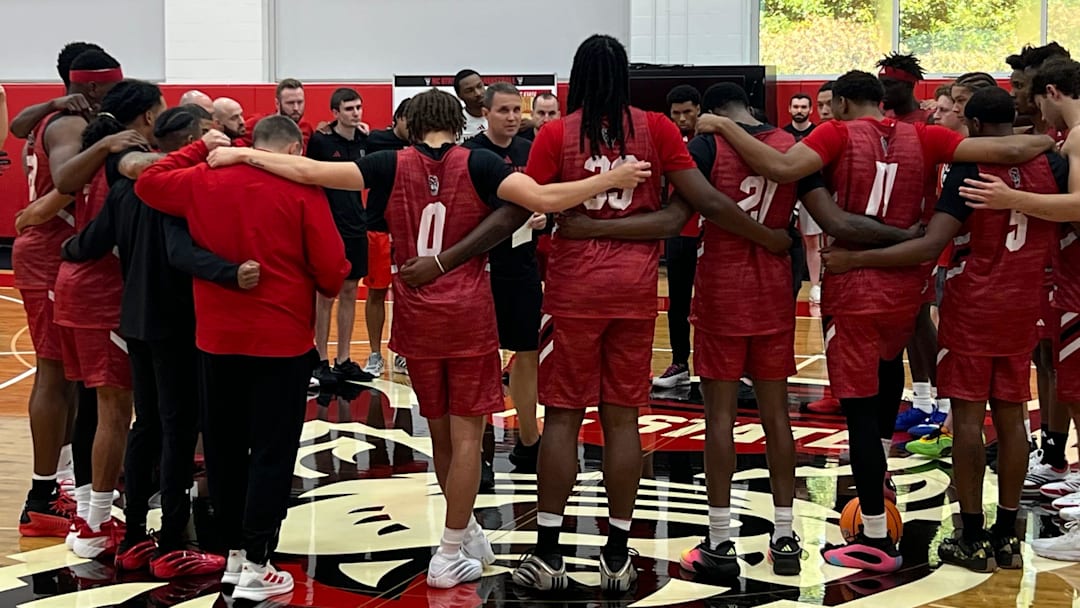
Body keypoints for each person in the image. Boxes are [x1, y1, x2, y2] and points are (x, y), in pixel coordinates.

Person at [203, 87, 652, 590]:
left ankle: (466, 530)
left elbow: (308, 171)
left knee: (439, 435)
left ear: (410, 124)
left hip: (415, 317)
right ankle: (450, 548)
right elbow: (545, 199)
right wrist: (612, 178)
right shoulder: (480, 164)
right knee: (466, 439)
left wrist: (242, 152)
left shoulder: (386, 163)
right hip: (467, 317)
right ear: (457, 123)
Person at [557, 81, 921, 579]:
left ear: (710, 113)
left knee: (720, 420)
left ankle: (721, 538)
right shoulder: (791, 147)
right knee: (776, 417)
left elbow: (686, 213)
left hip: (722, 291)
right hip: (774, 291)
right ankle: (786, 534)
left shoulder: (707, 145)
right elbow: (826, 215)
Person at [696, 69, 1054, 572]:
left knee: (860, 414)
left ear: (840, 104)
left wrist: (722, 126)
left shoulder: (835, 134)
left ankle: (873, 535)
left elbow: (782, 169)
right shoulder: (930, 137)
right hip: (916, 288)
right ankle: (943, 501)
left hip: (860, 286)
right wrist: (1056, 133)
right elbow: (1012, 154)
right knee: (906, 382)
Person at [475, 34, 793, 593]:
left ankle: (548, 558)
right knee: (623, 419)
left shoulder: (555, 133)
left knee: (565, 419)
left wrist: (588, 225)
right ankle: (618, 557)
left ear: (576, 76)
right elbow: (683, 214)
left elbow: (530, 207)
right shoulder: (657, 128)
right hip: (634, 291)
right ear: (625, 77)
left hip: (574, 292)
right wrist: (769, 237)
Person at [823, 86, 1063, 572]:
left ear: (973, 126)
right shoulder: (1053, 165)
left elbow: (928, 245)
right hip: (1026, 299)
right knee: (1014, 418)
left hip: (974, 302)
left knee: (970, 421)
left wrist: (854, 258)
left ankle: (971, 534)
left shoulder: (970, 169)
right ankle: (1008, 534)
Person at [134, 115, 351, 602]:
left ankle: (232, 555)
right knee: (272, 453)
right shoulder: (302, 191)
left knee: (224, 449)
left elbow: (147, 183)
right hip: (282, 340)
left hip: (216, 339)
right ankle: (257, 561)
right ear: (295, 151)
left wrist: (197, 149)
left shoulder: (202, 179)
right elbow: (332, 270)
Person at [60, 107, 252, 577]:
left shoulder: (126, 188)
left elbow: (91, 241)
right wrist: (232, 273)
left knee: (146, 424)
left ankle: (133, 538)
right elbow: (180, 253)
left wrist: (65, 249)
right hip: (174, 321)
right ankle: (171, 542)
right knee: (177, 427)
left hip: (135, 320)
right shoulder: (179, 189)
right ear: (190, 139)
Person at [52, 79, 165, 559]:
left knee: (95, 407)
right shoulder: (125, 154)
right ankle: (95, 522)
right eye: (160, 111)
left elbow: (58, 191)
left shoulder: (95, 148)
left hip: (75, 286)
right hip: (103, 292)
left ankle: (87, 509)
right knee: (116, 413)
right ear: (145, 118)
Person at [12, 41, 109, 539]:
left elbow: (16, 125)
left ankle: (62, 479)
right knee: (53, 375)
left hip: (58, 256)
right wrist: (37, 213)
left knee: (70, 377)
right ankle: (39, 497)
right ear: (92, 86)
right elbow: (70, 179)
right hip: (50, 255)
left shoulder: (55, 114)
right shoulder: (72, 125)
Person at [463, 83, 546, 475]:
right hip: (481, 268)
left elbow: (548, 197)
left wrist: (546, 217)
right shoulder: (470, 155)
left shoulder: (530, 152)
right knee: (480, 360)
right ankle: (478, 449)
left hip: (522, 266)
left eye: (517, 110)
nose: (512, 117)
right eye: (504, 111)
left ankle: (529, 441)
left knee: (526, 354)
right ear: (485, 113)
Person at [878, 53, 942, 438]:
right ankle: (920, 400)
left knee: (920, 320)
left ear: (908, 87)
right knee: (904, 321)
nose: (885, 90)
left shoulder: (928, 123)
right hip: (893, 229)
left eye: (892, 84)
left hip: (927, 229)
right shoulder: (885, 123)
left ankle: (942, 404)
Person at [305, 88, 373, 386]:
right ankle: (320, 359)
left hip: (357, 226)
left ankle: (343, 359)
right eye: (348, 109)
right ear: (335, 113)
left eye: (358, 107)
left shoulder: (364, 141)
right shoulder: (321, 142)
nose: (355, 113)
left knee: (350, 292)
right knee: (325, 294)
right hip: (328, 227)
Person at [653, 84, 704, 389]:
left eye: (687, 112)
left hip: (709, 231)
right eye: (676, 113)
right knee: (679, 301)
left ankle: (727, 368)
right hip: (679, 232)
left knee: (714, 302)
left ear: (699, 110)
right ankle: (680, 362)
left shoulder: (712, 141)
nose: (683, 118)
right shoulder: (664, 140)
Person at [362, 98, 411, 377]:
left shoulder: (422, 144)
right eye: (409, 120)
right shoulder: (376, 140)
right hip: (378, 226)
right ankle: (375, 354)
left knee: (407, 293)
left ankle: (402, 353)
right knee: (377, 291)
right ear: (398, 118)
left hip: (408, 228)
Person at [878, 52, 931, 124]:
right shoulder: (879, 114)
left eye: (888, 84)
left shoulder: (930, 119)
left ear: (909, 85)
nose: (882, 89)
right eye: (880, 84)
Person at [454, 69, 487, 140]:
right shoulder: (456, 123)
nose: (478, 93)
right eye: (469, 91)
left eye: (479, 86)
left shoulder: (500, 115)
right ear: (459, 96)